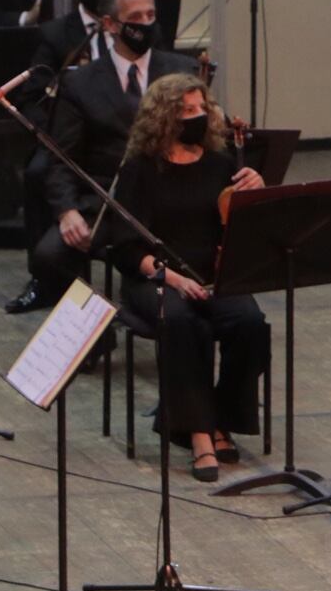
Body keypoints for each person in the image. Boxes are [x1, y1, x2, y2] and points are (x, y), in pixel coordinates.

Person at [107, 74, 268, 482]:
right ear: (163, 119)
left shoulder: (219, 162)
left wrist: (257, 191)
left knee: (249, 323)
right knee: (182, 321)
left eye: (201, 109)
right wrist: (172, 279)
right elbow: (124, 247)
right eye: (187, 111)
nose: (198, 117)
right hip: (154, 279)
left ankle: (220, 417)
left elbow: (242, 224)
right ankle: (198, 434)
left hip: (212, 277)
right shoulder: (140, 169)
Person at [25, 0, 197, 310]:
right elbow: (62, 157)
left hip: (166, 197)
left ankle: (154, 309)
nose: (146, 25)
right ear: (109, 24)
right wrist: (67, 211)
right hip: (106, 202)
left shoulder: (182, 70)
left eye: (151, 16)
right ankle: (95, 335)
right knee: (49, 256)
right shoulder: (79, 83)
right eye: (135, 18)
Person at [5, 0, 126, 313]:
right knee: (39, 171)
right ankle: (44, 278)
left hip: (121, 138)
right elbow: (30, 96)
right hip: (68, 139)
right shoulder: (57, 34)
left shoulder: (133, 30)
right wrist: (52, 135)